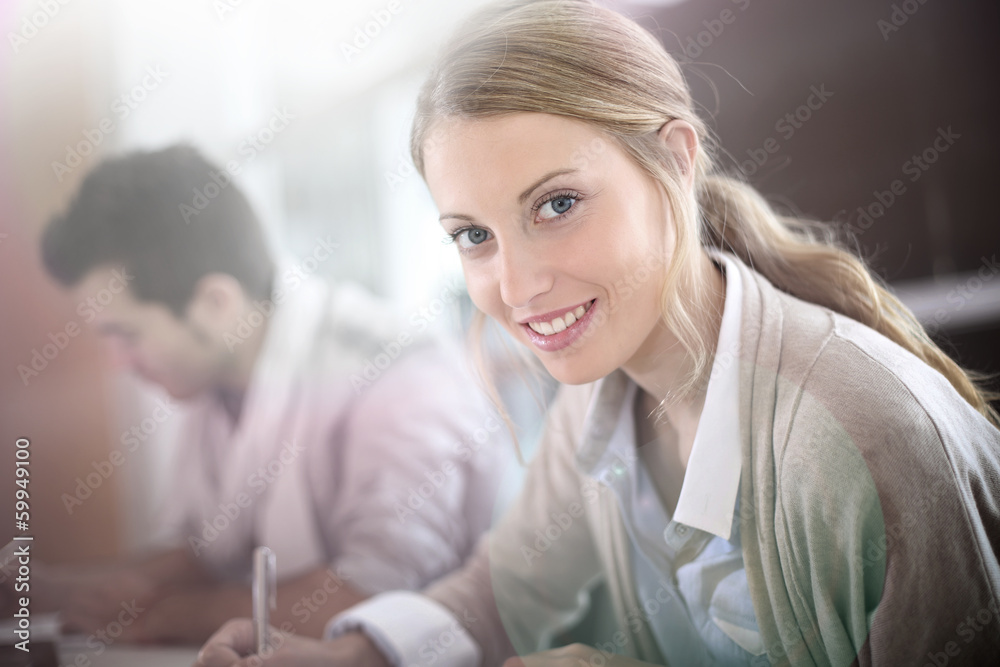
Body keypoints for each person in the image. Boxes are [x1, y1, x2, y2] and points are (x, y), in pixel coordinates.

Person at [196, 1, 1000, 665]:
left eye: (556, 204)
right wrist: (349, 656)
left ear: (676, 161)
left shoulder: (858, 441)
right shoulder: (602, 398)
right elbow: (498, 594)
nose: (514, 289)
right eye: (474, 235)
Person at [22, 145, 506, 645]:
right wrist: (50, 590)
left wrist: (161, 617)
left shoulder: (401, 374)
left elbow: (371, 598)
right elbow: (206, 553)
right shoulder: (216, 381)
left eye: (126, 334)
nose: (117, 363)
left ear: (215, 303)